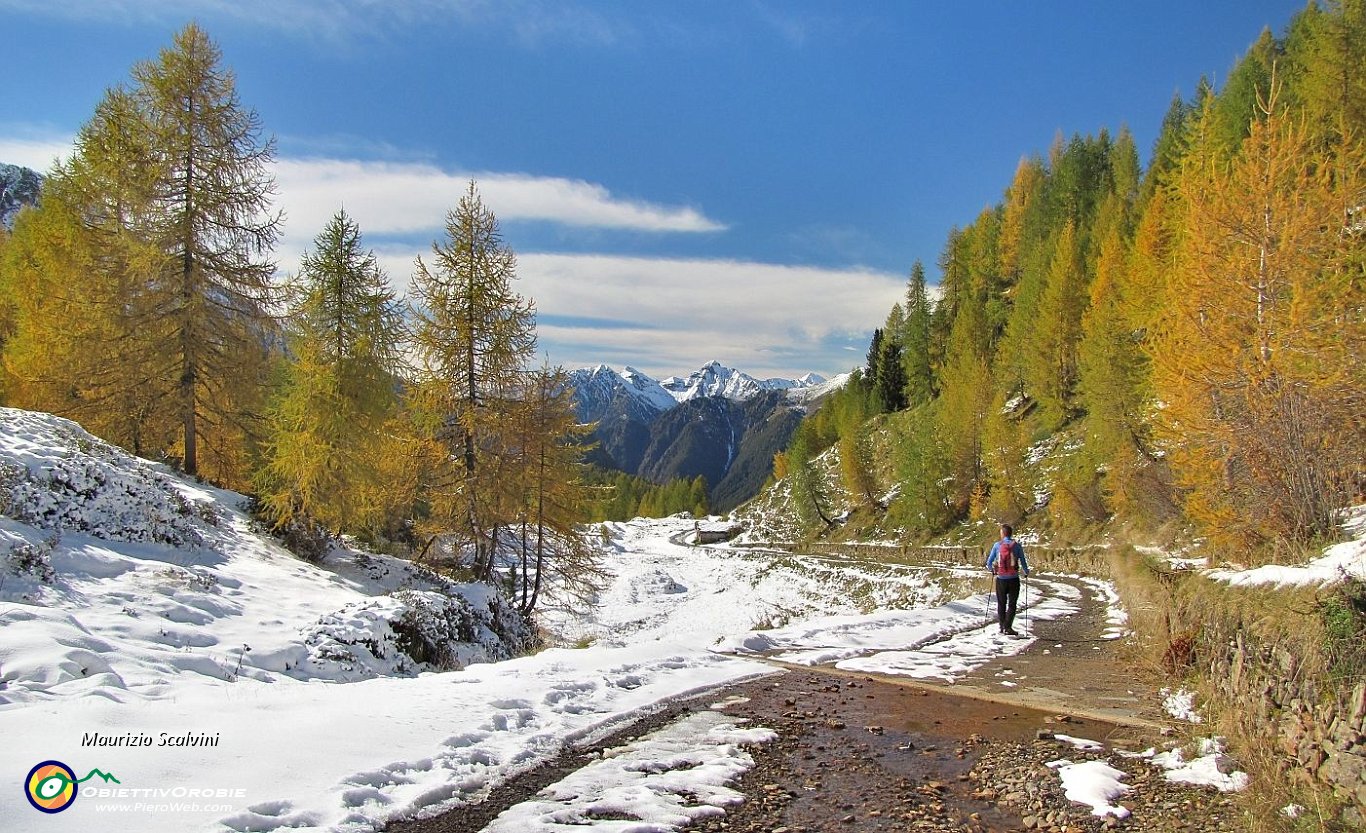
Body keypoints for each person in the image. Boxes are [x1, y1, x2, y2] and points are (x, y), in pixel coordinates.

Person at [985, 523, 1030, 635]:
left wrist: (993, 571)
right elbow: (1023, 562)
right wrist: (1026, 572)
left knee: (1001, 603)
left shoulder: (997, 545)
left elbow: (989, 562)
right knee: (1012, 604)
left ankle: (1001, 626)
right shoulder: (1017, 546)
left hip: (1001, 579)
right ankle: (1008, 627)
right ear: (1010, 533)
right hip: (1014, 579)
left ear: (1002, 533)